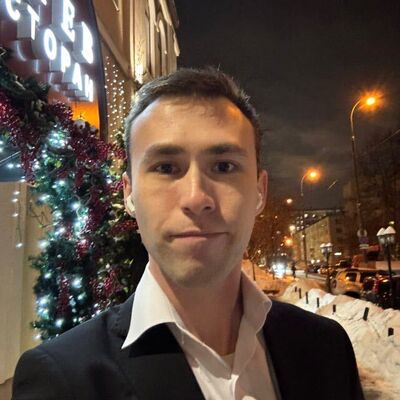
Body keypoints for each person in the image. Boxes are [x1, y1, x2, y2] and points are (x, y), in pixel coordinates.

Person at [12, 68, 364, 400]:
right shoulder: (64, 380)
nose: (196, 198)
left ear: (259, 190)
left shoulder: (326, 348)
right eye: (166, 167)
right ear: (129, 194)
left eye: (224, 166)